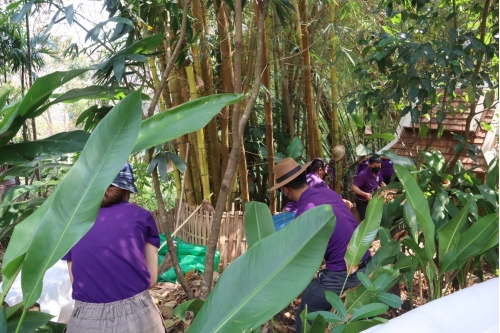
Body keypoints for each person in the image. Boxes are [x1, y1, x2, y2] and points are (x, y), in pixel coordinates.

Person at [62, 162, 166, 333]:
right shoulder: (142, 216)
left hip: (86, 321)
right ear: (127, 190)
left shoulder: (73, 223)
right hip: (138, 318)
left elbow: (75, 280)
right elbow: (151, 279)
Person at [270, 158, 370, 332]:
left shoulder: (306, 213)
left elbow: (303, 257)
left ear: (286, 190)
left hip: (344, 272)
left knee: (307, 311)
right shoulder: (327, 193)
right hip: (365, 260)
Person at [283, 157, 353, 212]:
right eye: (326, 168)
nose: (327, 171)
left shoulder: (307, 177)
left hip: (289, 210)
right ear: (320, 170)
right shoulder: (317, 180)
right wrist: (343, 201)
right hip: (295, 212)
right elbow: (330, 195)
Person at [351, 155, 386, 221]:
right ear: (369, 165)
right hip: (362, 203)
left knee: (374, 220)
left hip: (373, 201)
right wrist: (365, 194)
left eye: (379, 166)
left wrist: (388, 189)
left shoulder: (378, 172)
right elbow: (353, 187)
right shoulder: (363, 174)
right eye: (375, 166)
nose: (377, 168)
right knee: (366, 221)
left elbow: (381, 182)